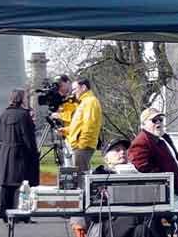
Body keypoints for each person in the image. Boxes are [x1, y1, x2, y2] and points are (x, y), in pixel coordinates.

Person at [128, 108, 178, 237]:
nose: (158, 122)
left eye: (160, 119)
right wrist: (165, 178)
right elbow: (142, 167)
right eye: (154, 120)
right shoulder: (141, 142)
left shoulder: (163, 137)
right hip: (161, 192)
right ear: (143, 124)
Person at [87, 138, 167, 237]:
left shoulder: (139, 174)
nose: (122, 152)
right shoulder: (98, 176)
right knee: (143, 215)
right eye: (117, 150)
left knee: (142, 229)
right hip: (110, 223)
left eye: (124, 149)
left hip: (139, 223)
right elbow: (94, 216)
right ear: (106, 158)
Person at [58, 78, 103, 236]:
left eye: (76, 88)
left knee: (80, 180)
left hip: (82, 146)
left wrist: (80, 143)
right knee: (80, 178)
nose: (73, 91)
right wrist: (66, 130)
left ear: (84, 87)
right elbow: (79, 124)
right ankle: (81, 214)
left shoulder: (90, 101)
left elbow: (89, 126)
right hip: (80, 144)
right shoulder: (85, 102)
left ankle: (83, 215)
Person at [0, 89, 39, 223]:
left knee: (7, 185)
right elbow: (28, 137)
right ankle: (21, 214)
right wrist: (34, 153)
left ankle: (4, 213)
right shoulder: (23, 115)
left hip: (6, 152)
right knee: (22, 185)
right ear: (21, 99)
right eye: (25, 97)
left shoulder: (4, 114)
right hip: (20, 154)